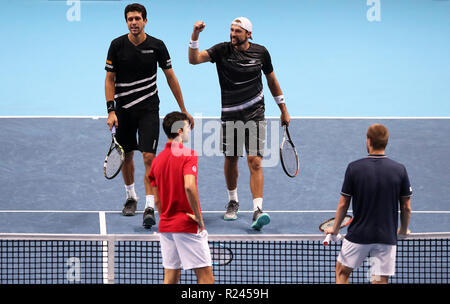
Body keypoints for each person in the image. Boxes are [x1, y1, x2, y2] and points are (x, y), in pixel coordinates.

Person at [188, 17, 291, 230]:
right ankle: (233, 200)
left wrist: (283, 108)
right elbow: (194, 59)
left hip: (255, 113)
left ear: (249, 34)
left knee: (255, 161)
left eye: (238, 31)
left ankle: (257, 209)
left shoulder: (261, 53)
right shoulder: (221, 50)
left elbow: (272, 80)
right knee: (232, 158)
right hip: (230, 114)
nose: (233, 34)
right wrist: (195, 35)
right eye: (231, 30)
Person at [104, 3, 193, 228]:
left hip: (149, 109)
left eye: (137, 18)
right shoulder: (116, 45)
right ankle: (131, 197)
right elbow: (110, 79)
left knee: (148, 157)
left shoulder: (157, 46)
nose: (133, 22)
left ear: (145, 21)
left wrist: (182, 108)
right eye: (130, 19)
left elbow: (170, 77)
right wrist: (111, 110)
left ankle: (149, 205)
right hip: (123, 110)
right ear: (126, 22)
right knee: (126, 155)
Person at [325, 123, 412, 284]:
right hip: (386, 237)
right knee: (379, 280)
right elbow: (406, 207)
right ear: (385, 142)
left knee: (342, 272)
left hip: (359, 236)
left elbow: (343, 204)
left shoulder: (354, 168)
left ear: (369, 141)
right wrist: (403, 230)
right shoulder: (400, 170)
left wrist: (335, 230)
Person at [148, 111, 214, 284]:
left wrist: (167, 216)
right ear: (178, 131)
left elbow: (157, 201)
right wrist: (198, 217)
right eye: (187, 127)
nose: (189, 130)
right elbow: (189, 186)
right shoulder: (188, 155)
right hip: (186, 224)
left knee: (171, 276)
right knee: (206, 276)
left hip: (166, 225)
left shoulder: (156, 161)